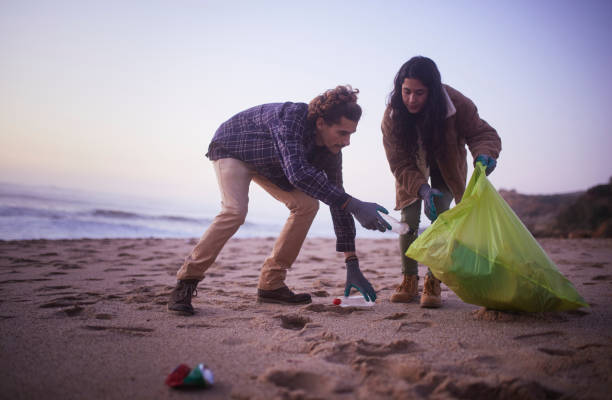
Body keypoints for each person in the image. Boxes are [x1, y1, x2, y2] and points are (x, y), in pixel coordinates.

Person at [168, 85, 391, 315]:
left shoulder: (330, 150)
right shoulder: (292, 118)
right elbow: (297, 173)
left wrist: (351, 263)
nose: (347, 142)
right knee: (235, 211)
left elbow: (338, 198)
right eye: (342, 133)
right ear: (321, 123)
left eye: (351, 134)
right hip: (232, 148)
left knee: (307, 205)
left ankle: (271, 284)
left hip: (270, 165)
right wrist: (354, 204)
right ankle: (186, 281)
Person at [381, 56, 502, 308]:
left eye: (420, 93)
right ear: (399, 88)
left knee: (442, 218)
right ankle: (408, 279)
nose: (412, 99)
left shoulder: (456, 103)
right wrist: (422, 189)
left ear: (432, 91)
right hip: (412, 169)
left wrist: (485, 154)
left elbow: (482, 133)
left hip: (446, 165)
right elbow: (399, 164)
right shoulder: (392, 115)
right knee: (409, 219)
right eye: (406, 92)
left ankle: (433, 281)